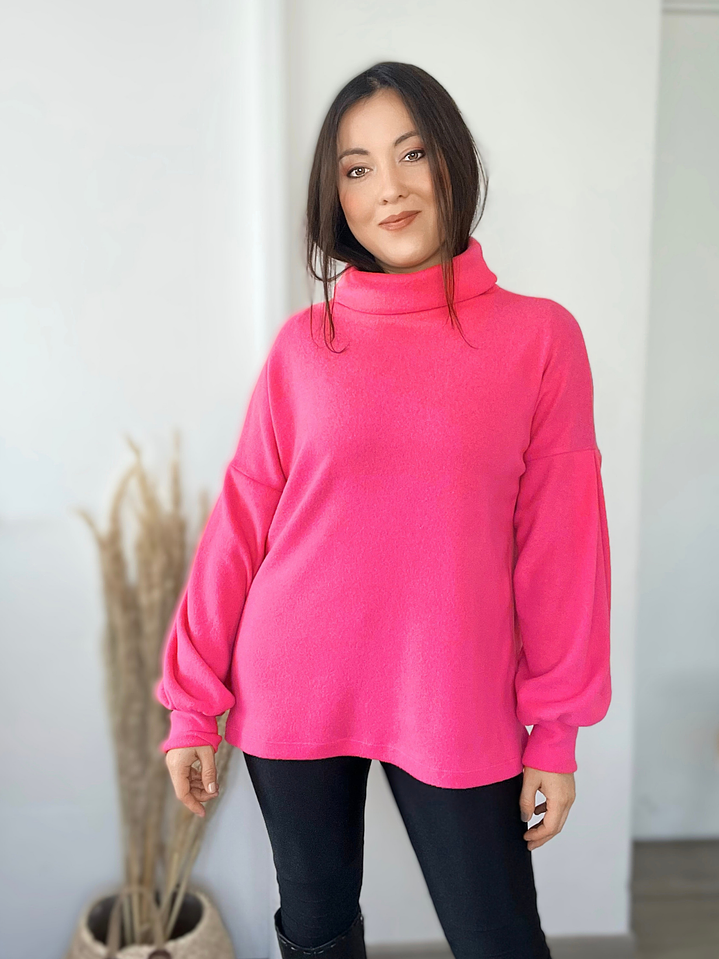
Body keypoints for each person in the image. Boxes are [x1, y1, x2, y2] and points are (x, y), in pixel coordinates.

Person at [155, 62, 612, 959]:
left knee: (499, 939)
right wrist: (191, 706)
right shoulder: (304, 344)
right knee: (318, 933)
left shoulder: (540, 337)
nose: (388, 188)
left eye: (411, 154)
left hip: (452, 690)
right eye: (357, 168)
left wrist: (553, 731)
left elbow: (561, 547)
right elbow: (240, 524)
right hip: (293, 684)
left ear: (452, 161)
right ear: (335, 197)